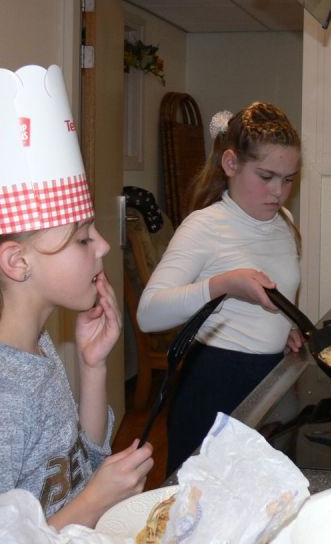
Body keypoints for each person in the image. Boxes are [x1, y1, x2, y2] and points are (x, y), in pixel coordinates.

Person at [0, 65, 153, 529]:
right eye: (82, 239)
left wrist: (93, 366)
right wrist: (94, 503)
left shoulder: (33, 349)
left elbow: (76, 467)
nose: (101, 246)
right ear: (18, 262)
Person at [137, 101, 304, 474]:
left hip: (271, 380)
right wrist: (222, 285)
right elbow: (149, 313)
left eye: (289, 179)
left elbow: (276, 295)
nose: (279, 192)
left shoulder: (284, 221)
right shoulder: (204, 226)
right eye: (266, 176)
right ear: (230, 164)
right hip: (213, 384)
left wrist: (286, 327)